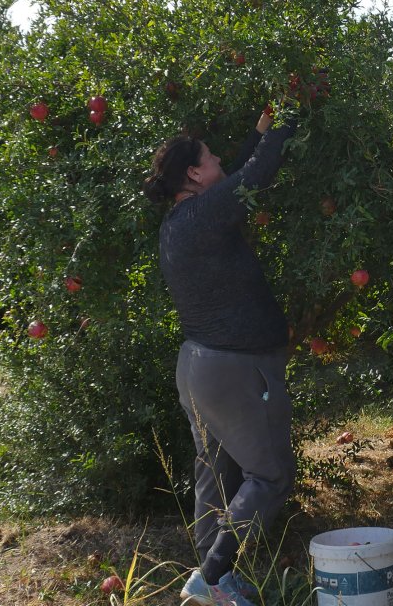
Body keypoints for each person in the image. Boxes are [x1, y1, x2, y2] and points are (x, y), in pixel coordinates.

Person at [143, 106, 298, 606]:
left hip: (198, 365)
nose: (219, 163)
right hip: (236, 367)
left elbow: (235, 175)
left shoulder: (181, 218)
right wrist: (292, 118)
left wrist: (259, 131)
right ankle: (209, 578)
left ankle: (215, 586)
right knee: (269, 475)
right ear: (193, 173)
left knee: (215, 476)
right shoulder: (203, 214)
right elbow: (254, 176)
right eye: (210, 158)